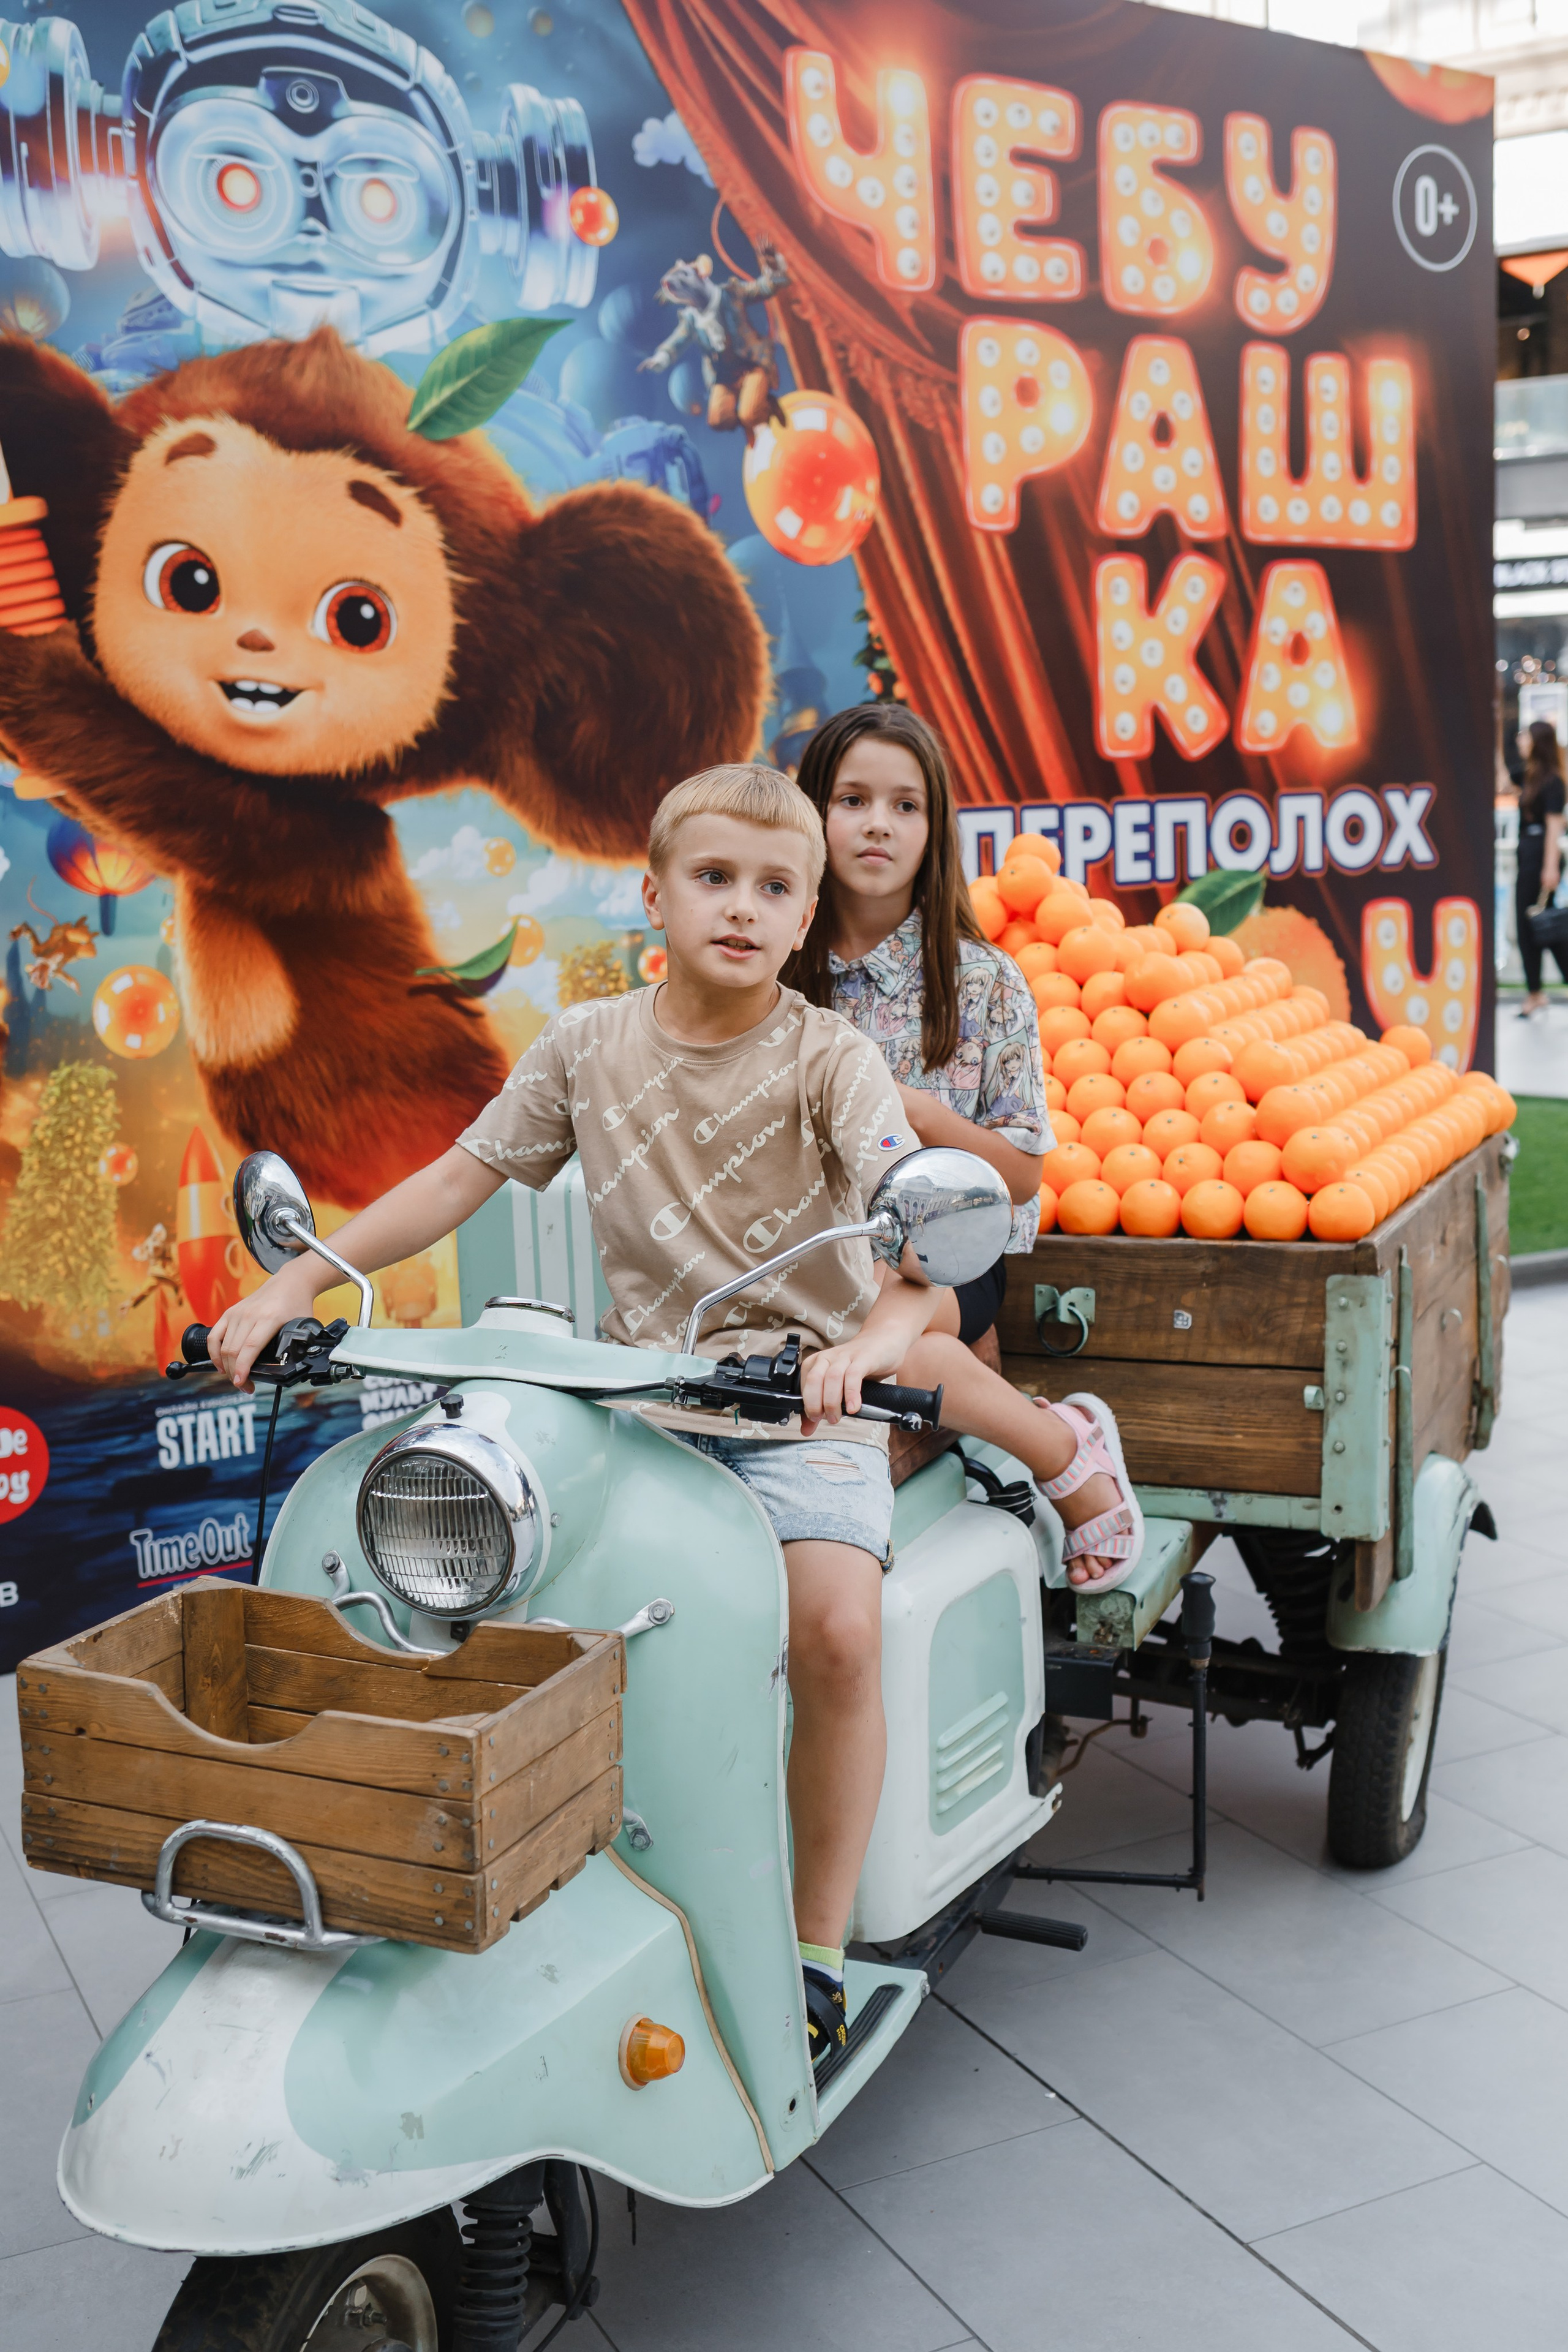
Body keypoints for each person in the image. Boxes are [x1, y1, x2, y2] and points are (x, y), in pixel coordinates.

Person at [209, 763, 954, 2069]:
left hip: (793, 1411)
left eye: (774, 888)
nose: (740, 907)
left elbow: (913, 1242)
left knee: (834, 1629)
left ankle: (817, 1945)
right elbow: (455, 1177)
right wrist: (298, 1277)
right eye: (712, 879)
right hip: (639, 1407)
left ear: (805, 914)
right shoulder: (584, 1047)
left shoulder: (831, 1059)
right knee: (506, 1621)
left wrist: (869, 1345)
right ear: (652, 892)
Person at [786, 704, 1141, 1594]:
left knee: (879, 1325)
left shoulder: (981, 979)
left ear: (934, 828)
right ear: (811, 816)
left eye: (905, 806)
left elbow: (1022, 1171)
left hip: (950, 1254)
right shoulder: (778, 970)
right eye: (852, 799)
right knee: (891, 1351)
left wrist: (905, 1107)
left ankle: (1064, 1457)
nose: (877, 823)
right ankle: (1060, 1438)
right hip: (811, 1250)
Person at [1516, 717, 1567, 1016]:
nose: (1521, 740)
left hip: (1540, 856)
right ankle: (1535, 991)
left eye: (1525, 736)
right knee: (1538, 924)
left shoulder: (1553, 781)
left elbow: (1554, 828)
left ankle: (1535, 991)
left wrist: (1550, 867)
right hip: (1528, 852)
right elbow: (1500, 780)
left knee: (1542, 924)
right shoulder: (1529, 777)